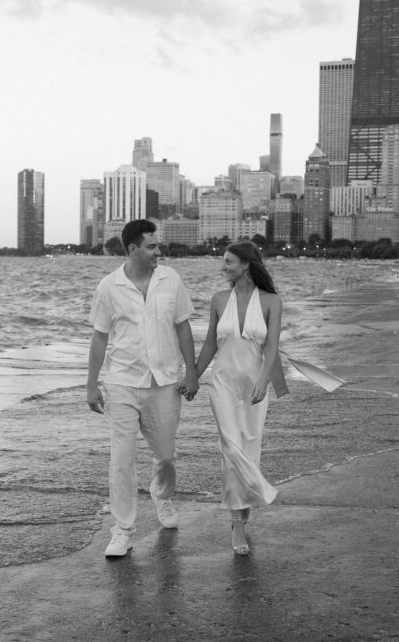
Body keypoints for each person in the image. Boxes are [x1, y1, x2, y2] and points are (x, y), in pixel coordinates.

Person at [87, 219, 198, 558]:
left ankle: (161, 495)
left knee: (165, 455)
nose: (158, 251)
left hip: (164, 382)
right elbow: (99, 337)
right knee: (121, 459)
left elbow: (183, 328)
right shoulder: (109, 287)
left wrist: (191, 372)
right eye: (151, 246)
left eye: (157, 245)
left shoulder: (171, 280)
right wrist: (91, 384)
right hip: (121, 382)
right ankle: (122, 530)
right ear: (133, 249)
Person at [194, 242, 286, 556]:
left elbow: (272, 347)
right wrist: (192, 375)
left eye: (228, 262)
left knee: (250, 443)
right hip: (222, 382)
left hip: (254, 385)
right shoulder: (219, 300)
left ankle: (243, 497)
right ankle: (238, 521)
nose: (223, 267)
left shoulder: (272, 301)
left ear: (246, 264)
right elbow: (209, 344)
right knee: (230, 446)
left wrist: (263, 382)